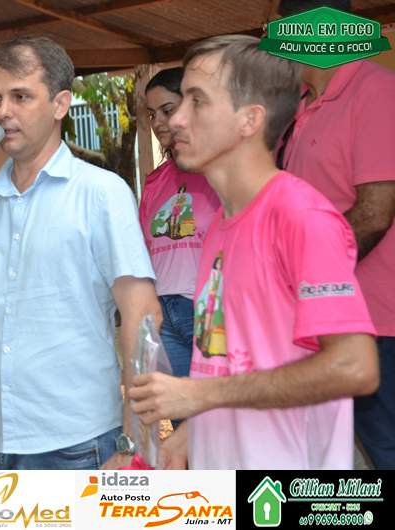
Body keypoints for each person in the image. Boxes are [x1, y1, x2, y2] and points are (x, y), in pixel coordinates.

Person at [129, 35, 379, 469]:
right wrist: (186, 436)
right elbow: (234, 365)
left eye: (197, 101)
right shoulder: (220, 227)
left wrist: (199, 394)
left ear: (249, 120)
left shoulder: (300, 216)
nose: (177, 119)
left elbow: (355, 367)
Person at [0, 35, 160, 470]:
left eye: (21, 97)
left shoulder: (101, 193)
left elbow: (141, 314)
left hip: (80, 440)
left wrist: (136, 438)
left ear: (60, 104)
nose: (2, 112)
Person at [277, 0, 395, 469]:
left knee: (385, 446)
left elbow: (375, 211)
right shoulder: (303, 106)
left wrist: (309, 278)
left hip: (379, 319)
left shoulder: (375, 89)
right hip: (327, 317)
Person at [139, 67, 220, 380]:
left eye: (167, 110)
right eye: (152, 114)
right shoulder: (155, 181)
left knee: (216, 406)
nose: (158, 122)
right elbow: (144, 250)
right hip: (162, 312)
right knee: (177, 406)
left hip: (207, 308)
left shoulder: (219, 170)